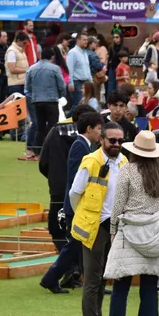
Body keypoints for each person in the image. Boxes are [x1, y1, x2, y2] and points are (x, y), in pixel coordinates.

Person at [99, 130, 159, 316]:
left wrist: (113, 230)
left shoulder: (127, 170)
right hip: (155, 231)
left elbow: (118, 204)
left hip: (130, 231)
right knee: (149, 288)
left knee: (120, 288)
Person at [68, 120, 127, 316]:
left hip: (114, 226)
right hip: (95, 226)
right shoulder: (91, 161)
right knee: (93, 279)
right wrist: (83, 216)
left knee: (103, 278)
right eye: (112, 140)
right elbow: (74, 193)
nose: (116, 144)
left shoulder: (124, 162)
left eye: (120, 140)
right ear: (101, 139)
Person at [38, 110, 101, 294]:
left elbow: (44, 163)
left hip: (68, 197)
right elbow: (75, 178)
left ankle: (79, 277)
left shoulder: (77, 142)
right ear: (88, 127)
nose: (101, 132)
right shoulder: (80, 145)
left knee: (75, 243)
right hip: (76, 202)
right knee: (74, 243)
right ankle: (53, 278)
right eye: (99, 128)